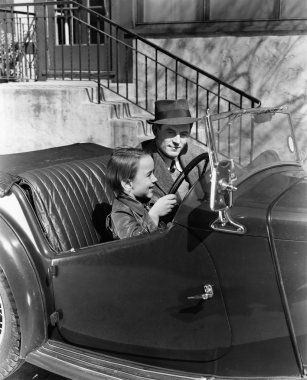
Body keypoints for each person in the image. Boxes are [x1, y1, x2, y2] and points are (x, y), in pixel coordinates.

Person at [140, 99, 206, 203]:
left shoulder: (198, 155)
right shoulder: (139, 159)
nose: (177, 141)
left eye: (184, 134)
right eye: (170, 132)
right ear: (155, 130)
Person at [106, 147, 177, 240]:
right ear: (128, 184)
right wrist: (154, 215)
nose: (155, 179)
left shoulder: (147, 200)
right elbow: (134, 245)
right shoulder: (120, 213)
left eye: (153, 173)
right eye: (149, 175)